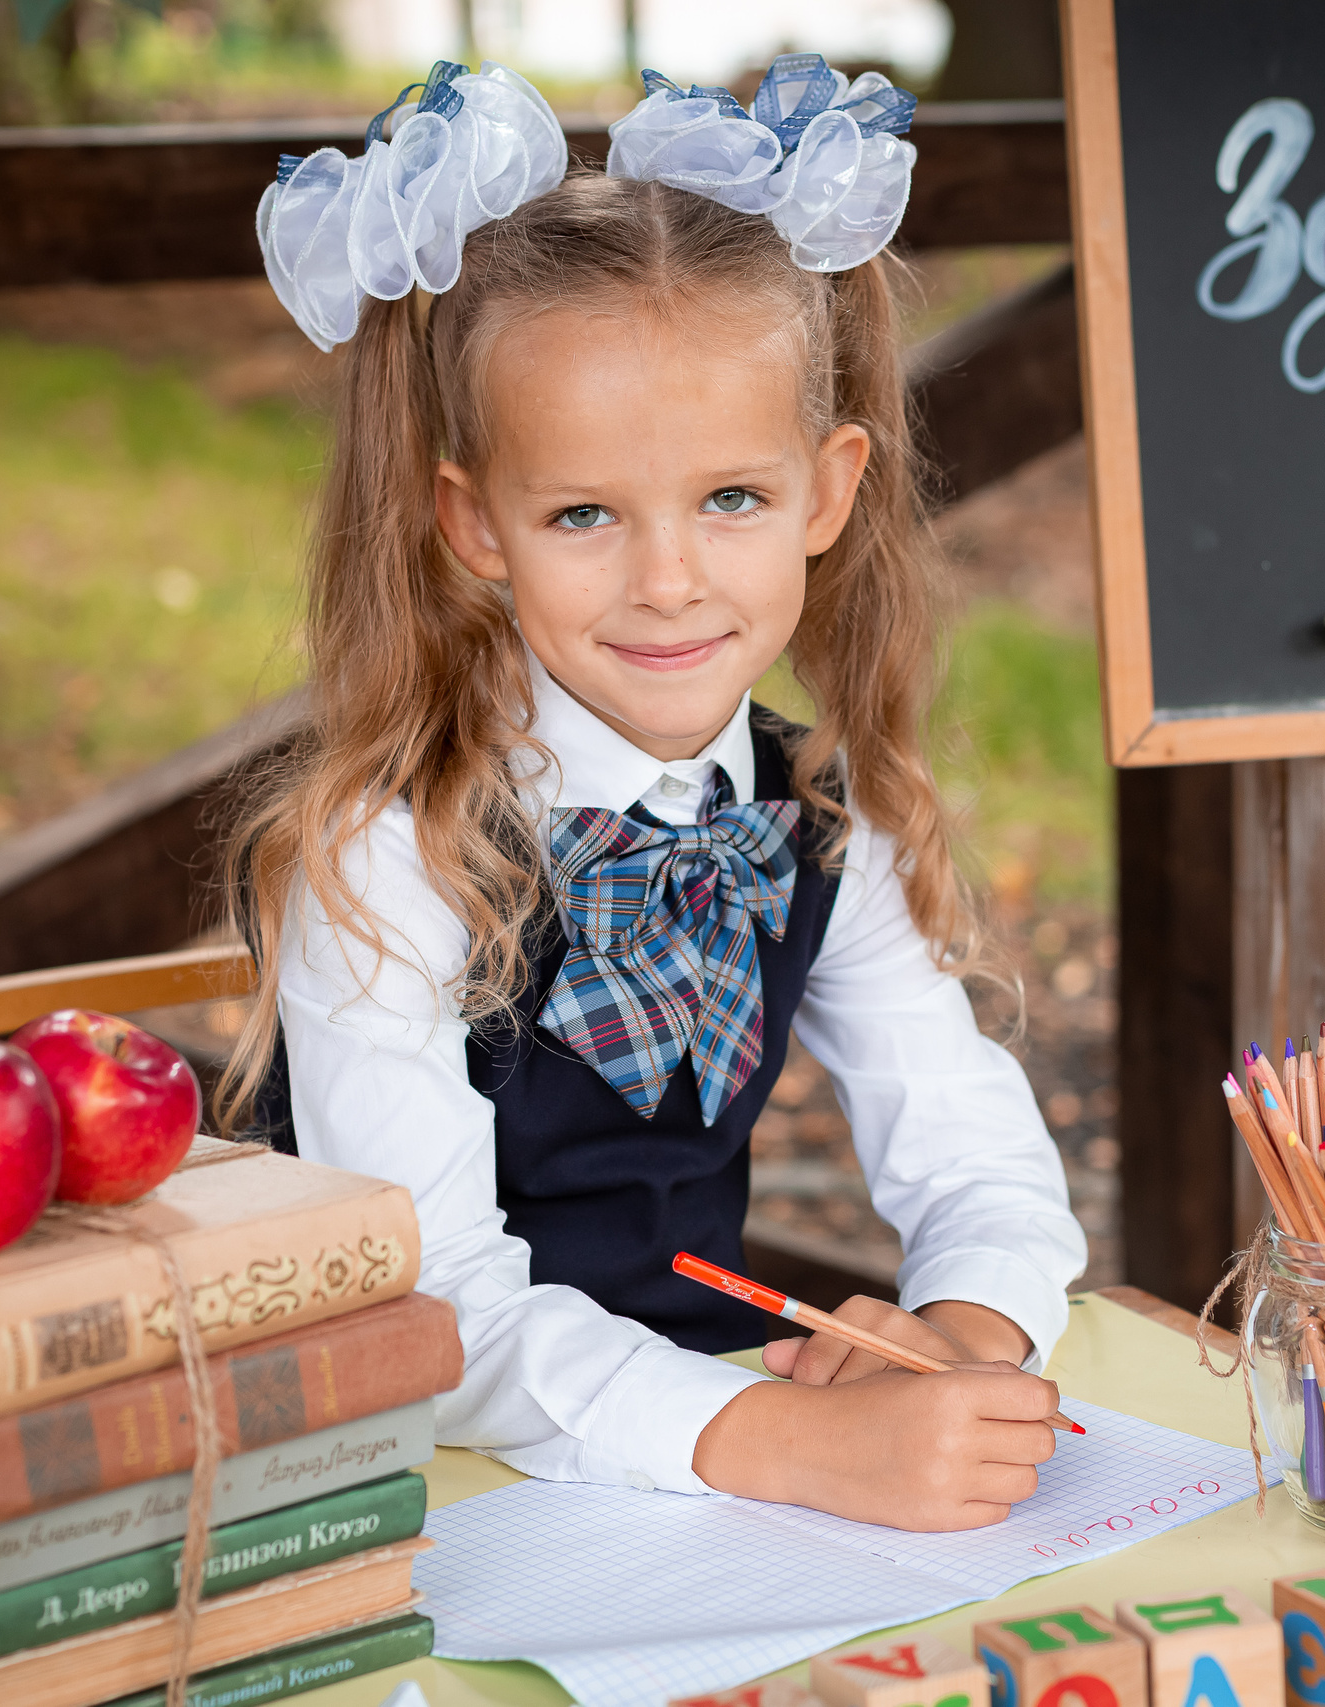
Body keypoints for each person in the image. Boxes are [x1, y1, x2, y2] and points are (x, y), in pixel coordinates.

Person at [224, 55, 1086, 1531]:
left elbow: (968, 1142)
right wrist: (795, 1446)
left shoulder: (818, 809)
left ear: (828, 490)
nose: (671, 581)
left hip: (687, 1490)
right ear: (472, 525)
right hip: (393, 1497)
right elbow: (433, 1310)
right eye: (582, 515)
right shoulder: (383, 860)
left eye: (732, 500)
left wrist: (970, 1329)